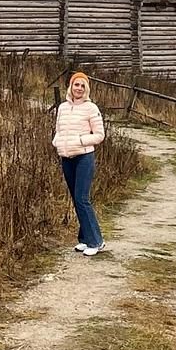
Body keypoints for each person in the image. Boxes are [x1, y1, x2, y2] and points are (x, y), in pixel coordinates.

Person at [53, 72, 107, 256]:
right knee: (76, 199)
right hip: (66, 157)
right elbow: (58, 130)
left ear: (86, 89)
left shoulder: (91, 108)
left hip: (84, 157)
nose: (79, 89)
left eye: (82, 86)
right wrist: (57, 142)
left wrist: (80, 140)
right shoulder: (62, 108)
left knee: (82, 199)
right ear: (70, 86)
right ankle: (84, 239)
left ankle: (96, 241)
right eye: (76, 85)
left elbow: (99, 135)